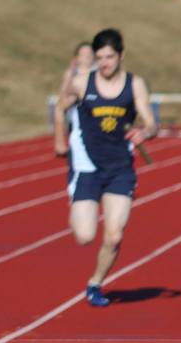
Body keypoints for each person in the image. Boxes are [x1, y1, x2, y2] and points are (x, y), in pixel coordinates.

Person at [59, 28, 157, 307]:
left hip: (119, 168)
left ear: (121, 56)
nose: (104, 63)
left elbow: (151, 121)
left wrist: (146, 132)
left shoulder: (134, 84)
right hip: (87, 166)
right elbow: (60, 108)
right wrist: (60, 138)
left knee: (114, 236)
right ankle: (75, 193)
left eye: (110, 57)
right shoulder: (81, 83)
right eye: (100, 57)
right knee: (85, 236)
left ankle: (95, 283)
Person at [53, 42, 94, 157]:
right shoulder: (73, 77)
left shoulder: (100, 73)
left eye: (90, 53)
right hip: (80, 128)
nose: (88, 56)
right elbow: (61, 103)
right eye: (84, 54)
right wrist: (60, 142)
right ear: (77, 58)